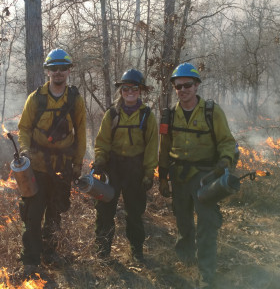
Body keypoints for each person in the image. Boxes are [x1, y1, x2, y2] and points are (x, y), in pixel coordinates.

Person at [158, 63, 236, 288]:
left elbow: (227, 142)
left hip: (206, 177)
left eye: (188, 85)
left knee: (207, 224)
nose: (183, 90)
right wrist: (163, 176)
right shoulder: (169, 115)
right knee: (183, 219)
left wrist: (225, 161)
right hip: (179, 175)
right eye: (178, 86)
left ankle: (206, 272)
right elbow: (164, 148)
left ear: (197, 85)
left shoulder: (212, 111)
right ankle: (185, 255)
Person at [17, 48, 86, 276]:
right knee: (33, 214)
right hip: (36, 166)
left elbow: (81, 131)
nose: (58, 73)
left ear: (68, 71)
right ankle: (31, 260)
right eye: (54, 69)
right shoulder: (36, 98)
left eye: (62, 68)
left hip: (63, 166)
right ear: (47, 71)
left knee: (55, 213)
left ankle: (50, 252)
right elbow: (24, 128)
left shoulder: (75, 99)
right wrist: (25, 150)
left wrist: (77, 163)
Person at [92, 69, 158, 262]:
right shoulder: (112, 114)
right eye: (126, 88)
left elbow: (152, 146)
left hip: (135, 169)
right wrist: (100, 161)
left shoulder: (147, 116)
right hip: (112, 169)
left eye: (134, 89)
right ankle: (102, 252)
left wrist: (148, 173)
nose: (130, 92)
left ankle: (136, 251)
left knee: (135, 213)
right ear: (121, 91)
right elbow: (102, 141)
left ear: (140, 91)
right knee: (105, 211)